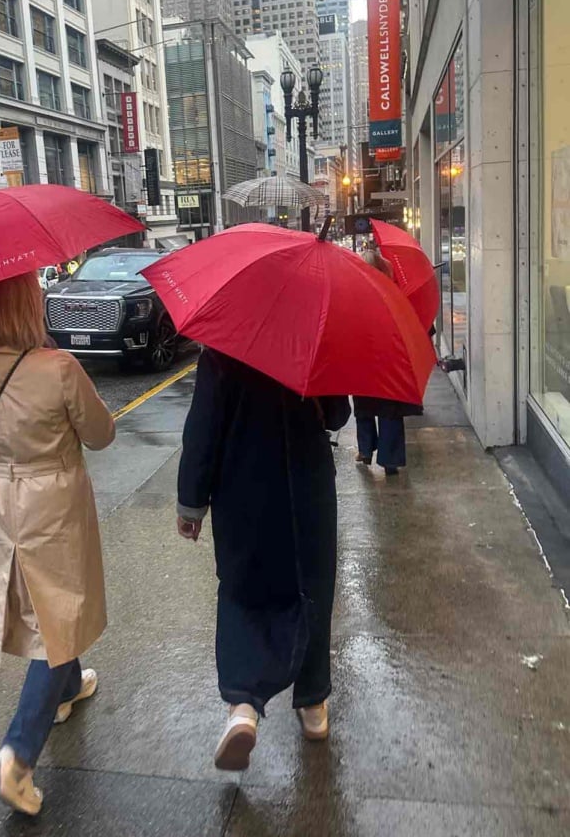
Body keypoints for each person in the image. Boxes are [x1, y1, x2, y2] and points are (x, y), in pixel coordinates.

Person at [0, 272, 115, 815]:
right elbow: (100, 433)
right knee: (61, 604)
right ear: (26, 305)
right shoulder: (56, 367)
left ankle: (65, 688)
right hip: (52, 498)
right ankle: (16, 758)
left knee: (34, 596)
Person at [177, 348, 350, 770]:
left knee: (241, 588)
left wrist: (191, 502)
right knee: (312, 587)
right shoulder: (315, 343)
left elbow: (203, 428)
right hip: (305, 487)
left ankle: (243, 707)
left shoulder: (223, 351)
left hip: (241, 487)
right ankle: (312, 704)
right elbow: (337, 415)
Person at [353, 250, 422, 476]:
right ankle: (389, 459)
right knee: (389, 410)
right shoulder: (394, 294)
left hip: (363, 359)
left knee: (364, 406)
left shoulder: (356, 294)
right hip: (389, 360)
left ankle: (365, 449)